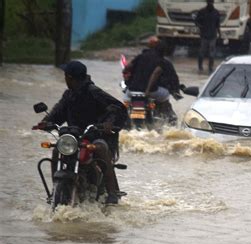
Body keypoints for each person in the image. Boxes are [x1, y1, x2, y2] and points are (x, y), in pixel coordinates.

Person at [36, 60, 127, 205]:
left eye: (65, 76)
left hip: (96, 135)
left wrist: (108, 123)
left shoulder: (93, 92)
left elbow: (118, 108)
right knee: (56, 151)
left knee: (101, 148)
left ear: (70, 78)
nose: (65, 79)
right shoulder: (69, 95)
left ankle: (112, 193)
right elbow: (59, 112)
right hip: (73, 137)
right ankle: (55, 190)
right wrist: (47, 122)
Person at [123, 36, 179, 125]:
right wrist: (148, 90)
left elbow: (127, 68)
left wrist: (127, 80)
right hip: (150, 91)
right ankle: (167, 116)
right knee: (165, 96)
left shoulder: (140, 56)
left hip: (132, 90)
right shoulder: (162, 61)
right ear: (164, 51)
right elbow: (156, 74)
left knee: (126, 100)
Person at [195, 0, 221, 74]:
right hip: (204, 35)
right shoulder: (202, 12)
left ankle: (210, 68)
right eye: (209, 2)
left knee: (211, 53)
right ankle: (200, 67)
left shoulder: (216, 12)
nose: (210, 3)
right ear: (207, 2)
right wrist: (200, 27)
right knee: (202, 52)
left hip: (213, 36)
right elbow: (196, 22)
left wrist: (219, 33)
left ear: (213, 3)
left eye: (211, 2)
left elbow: (218, 24)